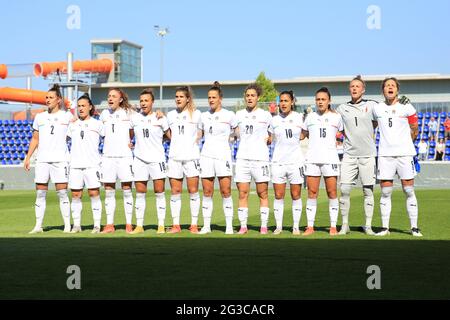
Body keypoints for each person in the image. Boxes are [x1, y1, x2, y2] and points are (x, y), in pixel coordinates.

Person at [373, 77, 422, 237]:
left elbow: (414, 128)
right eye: (387, 85)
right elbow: (371, 125)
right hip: (385, 155)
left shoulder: (407, 106)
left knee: (408, 190)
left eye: (392, 85)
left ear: (397, 90)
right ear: (383, 90)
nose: (390, 87)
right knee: (386, 192)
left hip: (404, 154)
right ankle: (385, 228)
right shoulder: (377, 108)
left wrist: (407, 145)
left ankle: (414, 228)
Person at [24, 85, 73, 233]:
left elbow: (78, 130)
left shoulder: (67, 116)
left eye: (51, 97)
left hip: (60, 160)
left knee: (63, 193)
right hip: (42, 160)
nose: (48, 100)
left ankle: (67, 225)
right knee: (40, 193)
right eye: (46, 97)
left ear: (58, 100)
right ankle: (38, 226)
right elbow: (35, 138)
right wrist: (28, 157)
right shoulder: (40, 117)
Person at [302, 87, 343, 236]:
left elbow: (343, 133)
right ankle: (310, 227)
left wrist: (339, 140)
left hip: (330, 159)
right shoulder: (310, 117)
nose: (320, 102)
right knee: (312, 193)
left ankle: (333, 227)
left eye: (323, 99)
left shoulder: (336, 117)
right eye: (318, 99)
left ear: (329, 101)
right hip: (312, 159)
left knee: (331, 192)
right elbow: (303, 134)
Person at [198, 82, 238, 234]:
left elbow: (237, 132)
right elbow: (199, 135)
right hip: (206, 156)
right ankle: (206, 226)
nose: (211, 100)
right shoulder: (203, 116)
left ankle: (228, 226)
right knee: (207, 192)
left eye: (214, 97)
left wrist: (233, 138)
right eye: (209, 97)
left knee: (226, 191)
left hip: (223, 156)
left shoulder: (229, 115)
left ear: (220, 98)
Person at [129, 88, 170, 234]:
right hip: (139, 160)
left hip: (157, 159)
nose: (143, 103)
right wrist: (130, 142)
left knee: (159, 191)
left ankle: (160, 225)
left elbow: (170, 136)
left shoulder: (160, 118)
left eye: (146, 100)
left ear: (152, 102)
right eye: (141, 101)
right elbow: (130, 135)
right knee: (140, 192)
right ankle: (139, 225)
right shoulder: (134, 118)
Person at [235, 83, 272, 234]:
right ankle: (243, 226)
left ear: (258, 97)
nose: (250, 98)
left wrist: (269, 139)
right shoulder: (238, 115)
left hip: (260, 159)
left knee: (262, 193)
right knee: (242, 193)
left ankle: (263, 226)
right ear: (245, 97)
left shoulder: (266, 115)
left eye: (253, 95)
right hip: (242, 159)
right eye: (247, 95)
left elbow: (272, 135)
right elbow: (233, 132)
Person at [166, 86, 202, 234]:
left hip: (191, 157)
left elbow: (202, 131)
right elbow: (167, 133)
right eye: (176, 96)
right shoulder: (170, 115)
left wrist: (195, 141)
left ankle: (194, 224)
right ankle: (176, 225)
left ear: (188, 99)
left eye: (181, 96)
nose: (178, 99)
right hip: (174, 158)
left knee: (193, 190)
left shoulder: (197, 114)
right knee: (175, 191)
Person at [99, 88, 135, 234]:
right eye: (109, 96)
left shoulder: (129, 113)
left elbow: (133, 130)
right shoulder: (104, 114)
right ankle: (109, 224)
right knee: (109, 192)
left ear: (120, 99)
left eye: (114, 96)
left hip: (124, 157)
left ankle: (128, 224)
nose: (110, 98)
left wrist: (130, 141)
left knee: (127, 190)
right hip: (108, 157)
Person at [66, 94, 103, 233]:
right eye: (79, 106)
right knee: (76, 195)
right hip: (75, 165)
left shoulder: (98, 124)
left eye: (83, 106)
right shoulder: (72, 124)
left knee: (94, 194)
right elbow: (63, 140)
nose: (81, 108)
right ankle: (76, 225)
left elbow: (108, 139)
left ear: (90, 107)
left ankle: (97, 225)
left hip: (92, 165)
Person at [270, 91, 305, 235]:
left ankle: (295, 226)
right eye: (281, 101)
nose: (283, 103)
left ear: (292, 102)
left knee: (296, 194)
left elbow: (304, 135)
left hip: (296, 162)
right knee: (278, 195)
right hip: (278, 162)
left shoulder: (299, 117)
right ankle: (278, 226)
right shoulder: (274, 120)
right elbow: (269, 137)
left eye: (286, 101)